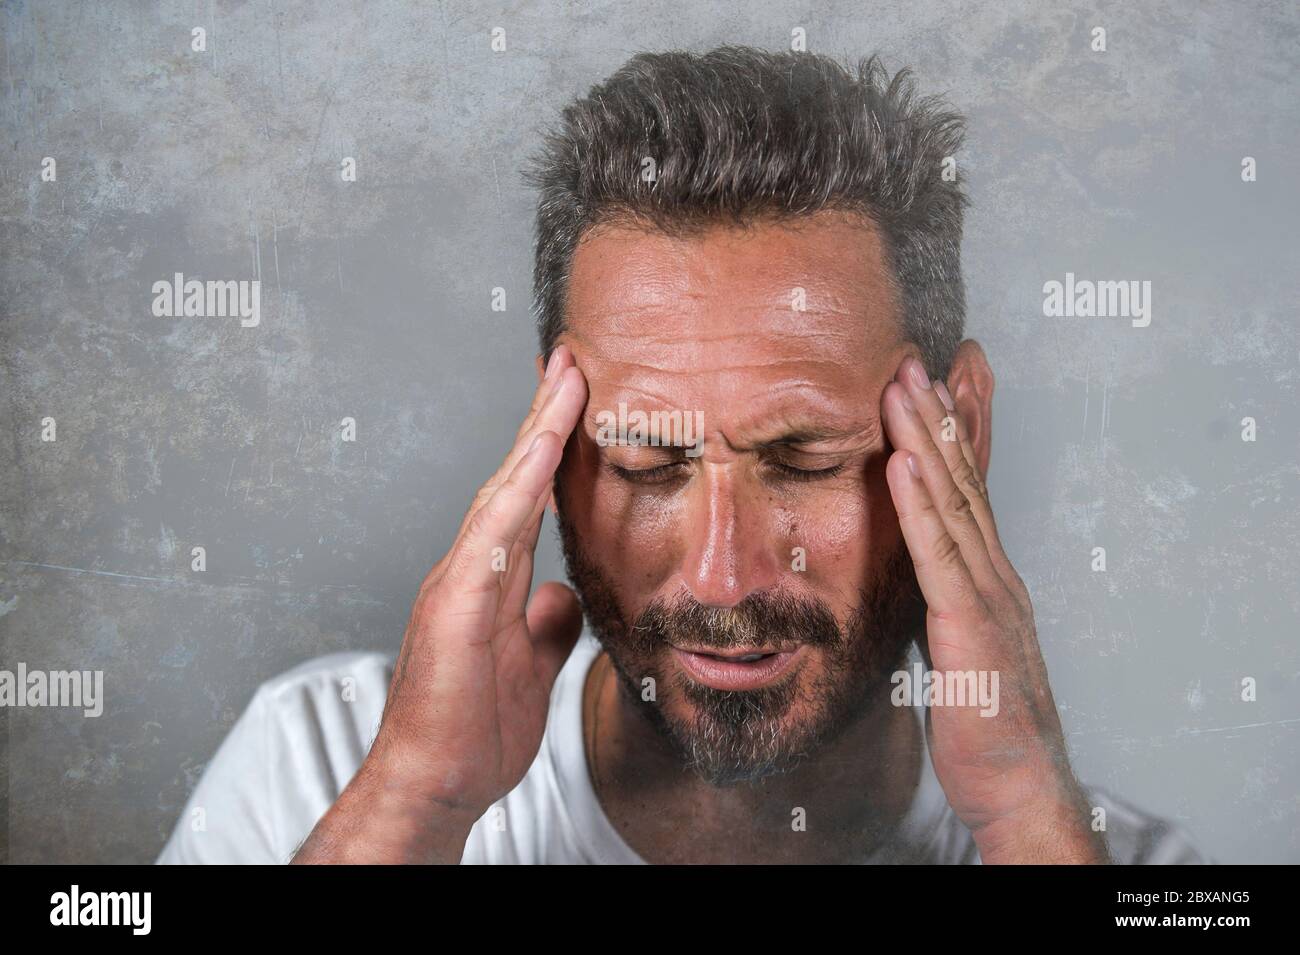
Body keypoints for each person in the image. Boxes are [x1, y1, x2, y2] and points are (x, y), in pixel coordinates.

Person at [158, 46, 1206, 865]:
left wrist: (1027, 814)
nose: (719, 574)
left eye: (801, 457)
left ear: (957, 432)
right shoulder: (318, 765)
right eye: (647, 461)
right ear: (554, 443)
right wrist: (415, 804)